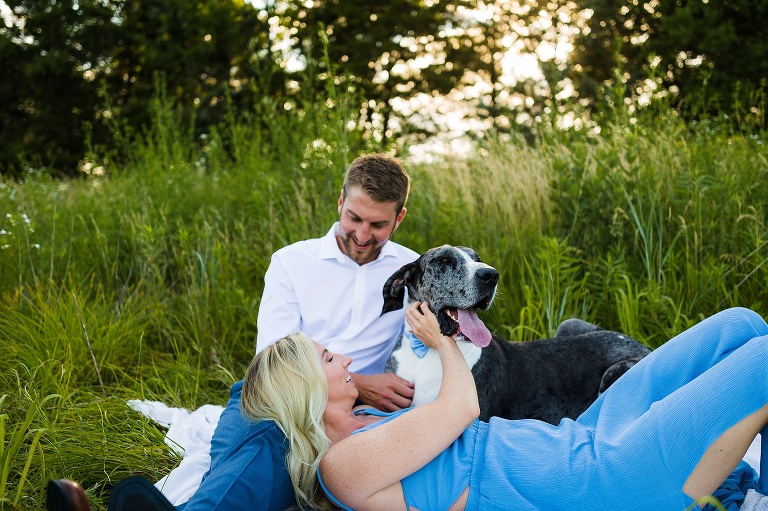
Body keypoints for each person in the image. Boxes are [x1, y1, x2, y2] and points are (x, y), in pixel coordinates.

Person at [240, 303, 768, 511]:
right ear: (309, 388)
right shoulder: (343, 464)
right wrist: (442, 339)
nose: (348, 358)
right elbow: (461, 409)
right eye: (330, 357)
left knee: (739, 326)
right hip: (599, 481)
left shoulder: (368, 423)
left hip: (579, 435)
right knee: (762, 357)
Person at [181, 153, 419, 511]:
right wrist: (364, 382)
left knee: (276, 461)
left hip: (353, 408)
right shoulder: (292, 262)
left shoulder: (411, 269)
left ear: (398, 218)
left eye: (378, 224)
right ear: (340, 202)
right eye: (353, 217)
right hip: (280, 389)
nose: (362, 234)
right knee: (267, 433)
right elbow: (274, 359)